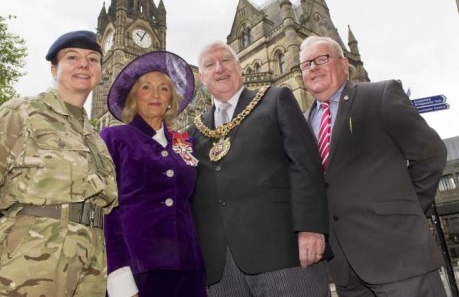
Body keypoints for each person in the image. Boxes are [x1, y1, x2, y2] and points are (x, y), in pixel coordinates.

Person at [0, 30, 118, 296]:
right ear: (54, 69)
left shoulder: (95, 139)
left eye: (93, 59)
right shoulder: (20, 112)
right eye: (72, 57)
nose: (84, 64)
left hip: (89, 271)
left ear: (101, 72)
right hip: (24, 267)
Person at [299, 35, 447, 297]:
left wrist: (405, 210)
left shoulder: (380, 94)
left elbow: (430, 154)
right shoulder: (301, 122)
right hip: (346, 271)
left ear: (344, 64)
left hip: (399, 256)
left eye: (322, 59)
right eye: (306, 64)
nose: (313, 67)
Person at [188, 41, 332, 297]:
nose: (219, 68)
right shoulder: (194, 131)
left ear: (239, 66)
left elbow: (305, 164)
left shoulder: (275, 99)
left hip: (283, 253)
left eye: (226, 61)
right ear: (202, 77)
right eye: (210, 65)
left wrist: (311, 227)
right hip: (223, 268)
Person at [101, 51, 207, 297]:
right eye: (146, 87)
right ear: (133, 97)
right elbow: (105, 208)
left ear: (171, 98)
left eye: (163, 88)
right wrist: (118, 276)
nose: (156, 95)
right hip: (137, 269)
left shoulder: (185, 143)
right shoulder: (114, 138)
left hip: (188, 269)